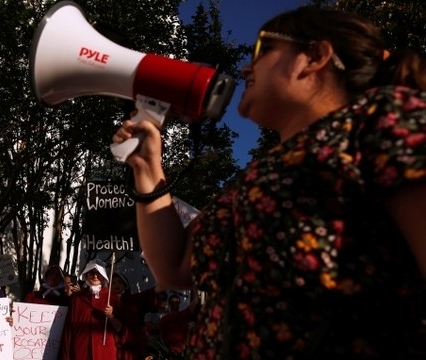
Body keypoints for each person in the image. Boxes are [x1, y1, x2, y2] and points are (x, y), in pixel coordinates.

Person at [112, 6, 426, 359]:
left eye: (263, 50)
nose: (247, 67)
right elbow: (173, 266)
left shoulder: (385, 116)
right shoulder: (253, 180)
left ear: (315, 57)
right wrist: (148, 166)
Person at [60, 259, 122, 360]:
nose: (95, 276)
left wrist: (111, 317)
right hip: (80, 349)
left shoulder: (112, 297)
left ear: (103, 276)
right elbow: (69, 328)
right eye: (91, 273)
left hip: (104, 350)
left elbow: (121, 329)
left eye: (98, 273)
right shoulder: (78, 298)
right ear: (86, 276)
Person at [110, 272, 162, 360]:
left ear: (125, 285)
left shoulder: (134, 300)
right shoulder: (107, 303)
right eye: (113, 282)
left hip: (133, 344)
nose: (116, 285)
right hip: (114, 344)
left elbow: (147, 296)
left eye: (119, 282)